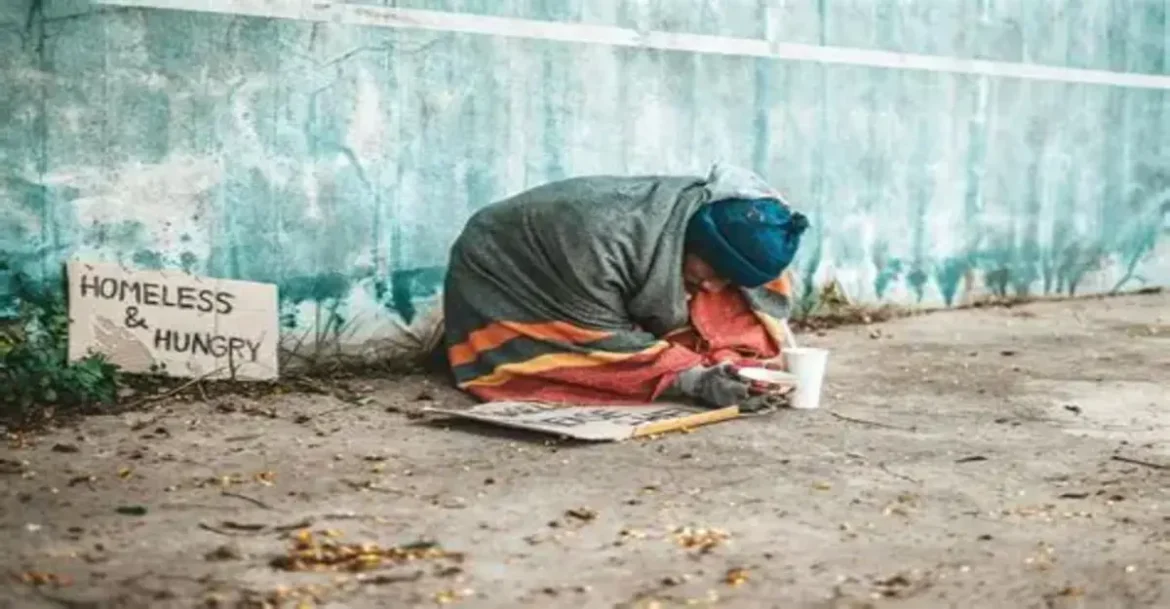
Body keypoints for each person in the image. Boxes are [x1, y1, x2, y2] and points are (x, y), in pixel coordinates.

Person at [440, 163, 809, 409]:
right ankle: (678, 366)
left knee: (743, 303)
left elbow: (735, 276)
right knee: (565, 365)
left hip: (604, 272)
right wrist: (694, 380)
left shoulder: (714, 213)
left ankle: (696, 360)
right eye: (712, 270)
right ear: (689, 240)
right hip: (514, 277)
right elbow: (599, 340)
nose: (714, 287)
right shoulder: (602, 242)